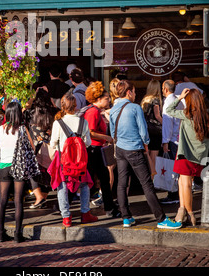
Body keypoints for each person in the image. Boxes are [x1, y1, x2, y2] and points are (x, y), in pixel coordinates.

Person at [109, 79, 181, 229]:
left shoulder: (114, 108)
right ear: (129, 92)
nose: (135, 94)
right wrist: (146, 145)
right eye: (134, 91)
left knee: (122, 183)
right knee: (147, 184)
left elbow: (111, 130)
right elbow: (143, 131)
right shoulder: (134, 108)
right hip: (134, 148)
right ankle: (161, 218)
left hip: (120, 149)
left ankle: (126, 217)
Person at [50, 91, 98, 227]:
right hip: (79, 160)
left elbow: (53, 143)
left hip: (63, 161)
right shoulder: (83, 122)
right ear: (76, 106)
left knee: (62, 186)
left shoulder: (58, 123)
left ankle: (66, 217)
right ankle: (85, 213)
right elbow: (88, 142)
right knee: (83, 185)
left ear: (63, 106)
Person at [0, 101, 40, 242]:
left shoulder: (0, 130)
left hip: (4, 166)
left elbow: (1, 147)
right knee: (18, 200)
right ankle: (17, 234)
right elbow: (32, 148)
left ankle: (1, 233)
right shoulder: (22, 129)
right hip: (19, 167)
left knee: (2, 200)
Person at [166, 88, 209, 226]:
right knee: (182, 182)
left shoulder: (187, 114)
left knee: (186, 184)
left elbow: (168, 110)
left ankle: (190, 214)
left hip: (185, 153)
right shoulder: (205, 117)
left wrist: (179, 98)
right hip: (199, 156)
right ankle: (182, 209)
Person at [84, 81, 120, 219]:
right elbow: (91, 132)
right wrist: (107, 138)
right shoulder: (93, 112)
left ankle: (109, 207)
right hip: (94, 149)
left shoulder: (94, 110)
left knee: (101, 180)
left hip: (96, 149)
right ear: (98, 99)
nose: (108, 100)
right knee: (102, 179)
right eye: (106, 98)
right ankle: (109, 208)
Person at [24, 88, 57, 208]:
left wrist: (32, 97)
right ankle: (43, 196)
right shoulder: (55, 112)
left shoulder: (32, 113)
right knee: (50, 171)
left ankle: (39, 197)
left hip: (38, 148)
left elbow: (22, 111)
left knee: (32, 170)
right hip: (53, 147)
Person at [160, 80, 182, 204]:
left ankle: (173, 195)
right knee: (177, 168)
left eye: (162, 88)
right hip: (179, 139)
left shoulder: (168, 101)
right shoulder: (179, 100)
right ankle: (177, 193)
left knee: (172, 168)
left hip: (172, 140)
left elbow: (168, 124)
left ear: (166, 89)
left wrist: (165, 142)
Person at [141, 80, 163, 179]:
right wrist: (165, 125)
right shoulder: (156, 100)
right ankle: (152, 180)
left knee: (147, 156)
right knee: (154, 157)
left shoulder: (145, 99)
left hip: (146, 130)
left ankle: (146, 178)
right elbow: (157, 116)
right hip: (155, 131)